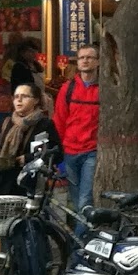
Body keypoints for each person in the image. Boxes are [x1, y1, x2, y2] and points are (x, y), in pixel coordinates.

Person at [53, 46, 102, 217]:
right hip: (69, 152)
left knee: (85, 201)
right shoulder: (68, 89)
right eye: (81, 58)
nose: (85, 61)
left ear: (98, 62)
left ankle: (81, 235)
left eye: (89, 57)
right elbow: (59, 120)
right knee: (75, 201)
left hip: (92, 152)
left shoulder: (104, 89)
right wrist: (58, 151)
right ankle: (87, 232)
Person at [0, 82, 58, 195]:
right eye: (16, 97)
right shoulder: (6, 123)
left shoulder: (44, 124)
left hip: (28, 184)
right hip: (0, 184)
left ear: (36, 100)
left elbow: (56, 153)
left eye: (24, 96)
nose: (19, 100)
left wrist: (27, 158)